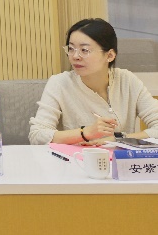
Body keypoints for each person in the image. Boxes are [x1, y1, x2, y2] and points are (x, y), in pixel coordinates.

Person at [29, 18, 158, 145]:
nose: (75, 56)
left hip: (119, 158)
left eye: (84, 50)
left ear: (109, 55)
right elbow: (37, 135)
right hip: (77, 157)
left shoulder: (127, 80)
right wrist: (85, 133)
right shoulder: (60, 83)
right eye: (71, 49)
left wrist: (118, 139)